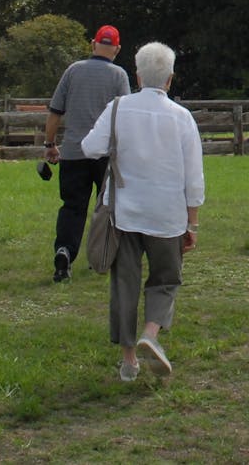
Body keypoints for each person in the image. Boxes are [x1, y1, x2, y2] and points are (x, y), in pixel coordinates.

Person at [80, 42, 205, 382]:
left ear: (136, 76)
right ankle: (151, 332)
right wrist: (193, 223)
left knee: (125, 283)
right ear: (170, 79)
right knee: (166, 279)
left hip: (125, 211)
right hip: (167, 215)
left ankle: (128, 359)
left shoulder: (118, 108)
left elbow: (90, 147)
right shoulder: (181, 117)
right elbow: (194, 177)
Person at [42, 24, 131, 282]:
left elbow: (55, 112)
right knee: (107, 206)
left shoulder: (74, 71)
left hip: (73, 152)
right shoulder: (119, 75)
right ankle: (102, 255)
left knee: (72, 207)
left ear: (93, 44)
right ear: (117, 48)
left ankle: (65, 252)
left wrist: (50, 145)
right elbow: (124, 116)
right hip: (105, 153)